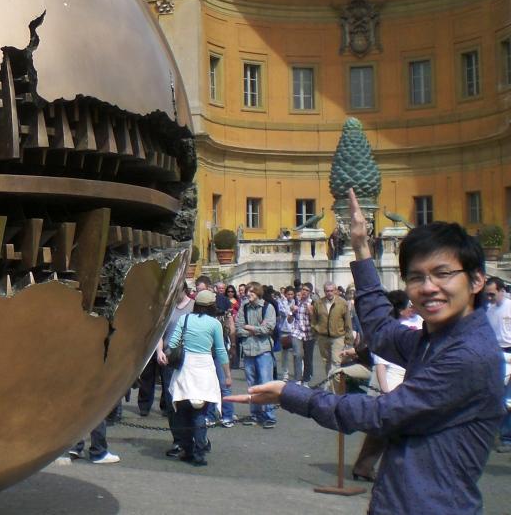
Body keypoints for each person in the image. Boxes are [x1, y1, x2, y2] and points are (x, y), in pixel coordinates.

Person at [229, 188, 504, 515]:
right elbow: (382, 330)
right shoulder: (438, 338)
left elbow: (381, 413)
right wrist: (361, 247)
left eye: (443, 274)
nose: (428, 287)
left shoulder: (469, 355)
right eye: (416, 277)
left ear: (476, 281)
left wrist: (290, 394)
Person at [351, 289, 423, 480]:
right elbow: (381, 363)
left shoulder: (418, 321)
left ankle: (365, 466)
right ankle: (371, 467)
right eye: (410, 306)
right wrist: (385, 389)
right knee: (385, 427)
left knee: (386, 429)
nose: (413, 309)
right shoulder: (391, 328)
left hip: (409, 377)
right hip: (389, 378)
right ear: (400, 309)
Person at [159, 289, 230, 466]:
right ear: (212, 305)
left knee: (182, 411)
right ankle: (199, 452)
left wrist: (164, 355)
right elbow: (221, 351)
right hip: (204, 368)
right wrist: (227, 375)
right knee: (199, 411)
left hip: (185, 368)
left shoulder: (185, 319)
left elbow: (173, 343)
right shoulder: (215, 324)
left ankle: (187, 449)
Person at [158, 283, 195, 454]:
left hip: (188, 360)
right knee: (171, 400)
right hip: (169, 359)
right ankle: (178, 440)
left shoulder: (193, 307)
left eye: (176, 291)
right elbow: (160, 332)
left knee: (189, 400)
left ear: (184, 290)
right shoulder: (168, 308)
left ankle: (194, 436)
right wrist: (159, 351)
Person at [235, 282, 277, 428]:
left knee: (266, 384)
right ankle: (255, 414)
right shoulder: (244, 307)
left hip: (263, 349)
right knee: (252, 385)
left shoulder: (267, 307)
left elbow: (268, 328)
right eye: (247, 292)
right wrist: (255, 329)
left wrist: (250, 327)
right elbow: (239, 328)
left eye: (251, 292)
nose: (248, 294)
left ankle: (269, 415)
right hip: (248, 350)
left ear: (258, 293)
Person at [484, 276, 511, 453]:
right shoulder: (489, 310)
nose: (490, 298)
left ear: (502, 291)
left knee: (508, 399)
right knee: (496, 396)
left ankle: (507, 437)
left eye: (492, 294)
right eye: (487, 295)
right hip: (497, 353)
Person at [311, 280, 353, 378]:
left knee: (336, 362)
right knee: (326, 361)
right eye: (327, 291)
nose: (329, 293)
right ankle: (329, 382)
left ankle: (335, 386)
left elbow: (348, 322)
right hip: (323, 337)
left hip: (338, 337)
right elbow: (314, 319)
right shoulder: (318, 303)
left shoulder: (342, 303)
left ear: (335, 291)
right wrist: (315, 330)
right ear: (324, 291)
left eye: (331, 290)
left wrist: (349, 339)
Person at [290, 283, 315, 385]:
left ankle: (306, 379)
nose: (304, 292)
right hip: (297, 332)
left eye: (306, 290)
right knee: (297, 354)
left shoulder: (313, 303)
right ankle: (298, 379)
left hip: (309, 333)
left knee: (308, 358)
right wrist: (291, 312)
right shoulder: (297, 302)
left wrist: (311, 312)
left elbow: (316, 320)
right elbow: (290, 319)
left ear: (310, 292)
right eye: (302, 289)